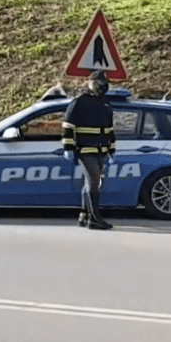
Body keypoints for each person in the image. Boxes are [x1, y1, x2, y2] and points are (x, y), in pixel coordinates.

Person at [61, 70, 116, 230]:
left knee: (91, 184)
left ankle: (84, 215)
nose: (102, 87)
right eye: (99, 84)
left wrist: (111, 149)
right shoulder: (80, 102)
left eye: (104, 84)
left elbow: (109, 129)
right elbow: (68, 127)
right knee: (94, 183)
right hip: (86, 150)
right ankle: (95, 218)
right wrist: (68, 148)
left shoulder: (105, 103)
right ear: (91, 83)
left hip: (101, 151)